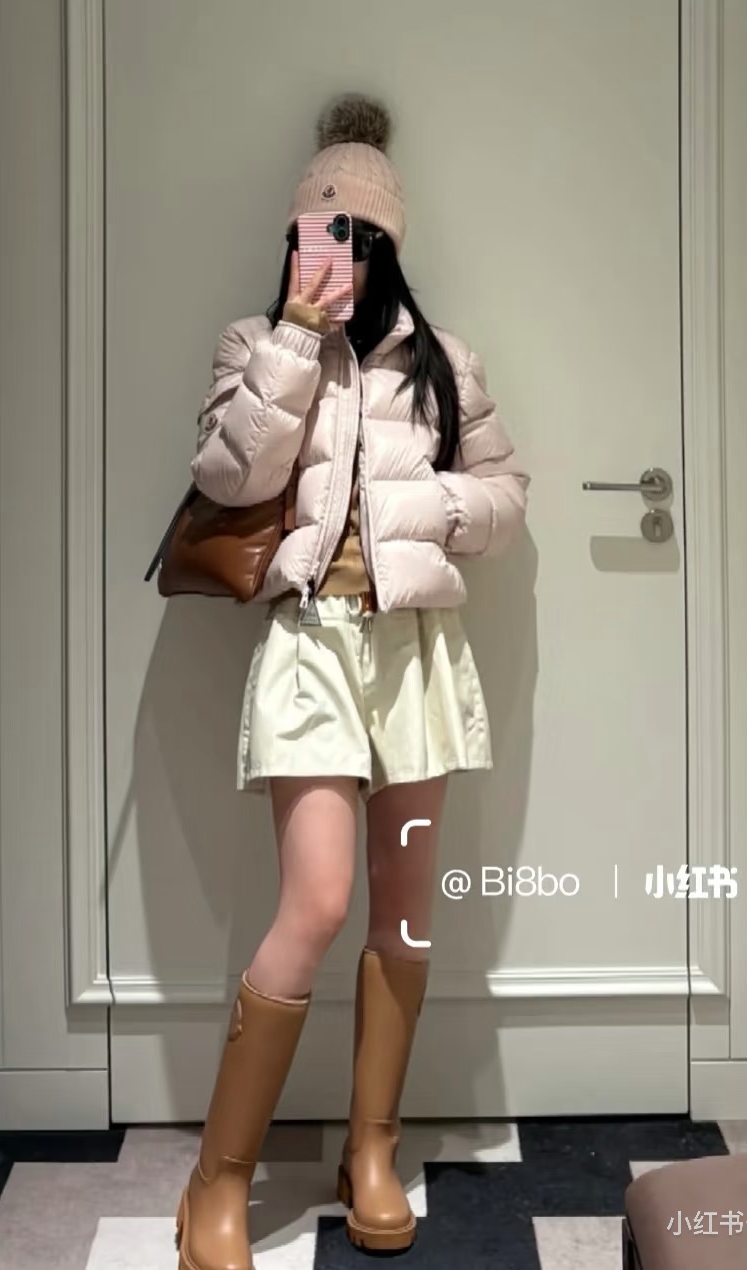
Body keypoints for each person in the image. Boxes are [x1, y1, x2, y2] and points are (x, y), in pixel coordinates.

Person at [174, 92, 529, 1270]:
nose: (339, 257)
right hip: (311, 648)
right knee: (317, 902)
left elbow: (508, 499)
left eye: (361, 237)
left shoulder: (444, 363)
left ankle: (370, 1150)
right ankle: (217, 1181)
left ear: (392, 243)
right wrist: (291, 336)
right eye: (319, 233)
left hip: (415, 654)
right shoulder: (254, 344)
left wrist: (425, 508)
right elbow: (229, 479)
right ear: (294, 236)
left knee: (405, 910)